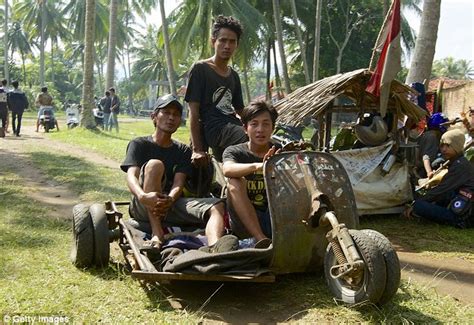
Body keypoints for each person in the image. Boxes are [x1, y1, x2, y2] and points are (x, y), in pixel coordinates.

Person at [121, 94, 228, 249]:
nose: (171, 118)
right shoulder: (139, 144)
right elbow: (132, 175)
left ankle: (216, 247)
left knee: (217, 205)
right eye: (166, 113)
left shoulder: (183, 150)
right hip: (144, 204)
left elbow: (179, 182)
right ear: (154, 117)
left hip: (171, 204)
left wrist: (170, 199)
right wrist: (142, 196)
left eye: (176, 115)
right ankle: (157, 233)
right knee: (155, 165)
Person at [185, 15, 247, 164]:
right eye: (223, 40)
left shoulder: (234, 76)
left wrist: (262, 120)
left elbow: (241, 111)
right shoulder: (200, 69)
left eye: (232, 42)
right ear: (213, 42)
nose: (227, 46)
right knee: (247, 137)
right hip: (213, 128)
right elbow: (193, 111)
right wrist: (197, 149)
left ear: (237, 45)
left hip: (231, 126)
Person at [222, 101, 280, 248]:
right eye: (254, 124)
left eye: (266, 124)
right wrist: (259, 166)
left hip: (273, 217)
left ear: (273, 127)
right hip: (243, 222)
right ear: (245, 129)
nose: (260, 129)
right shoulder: (234, 151)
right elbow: (227, 169)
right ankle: (260, 239)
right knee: (235, 182)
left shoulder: (279, 151)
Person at [407, 129, 474, 228]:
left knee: (419, 205)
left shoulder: (460, 166)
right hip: (460, 208)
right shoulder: (457, 162)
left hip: (463, 216)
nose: (443, 149)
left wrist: (415, 204)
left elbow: (441, 190)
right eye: (442, 145)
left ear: (457, 146)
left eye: (448, 145)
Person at [416, 113, 449, 179]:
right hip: (422, 170)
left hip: (422, 168)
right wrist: (429, 172)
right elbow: (426, 156)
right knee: (441, 160)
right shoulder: (432, 136)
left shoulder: (429, 134)